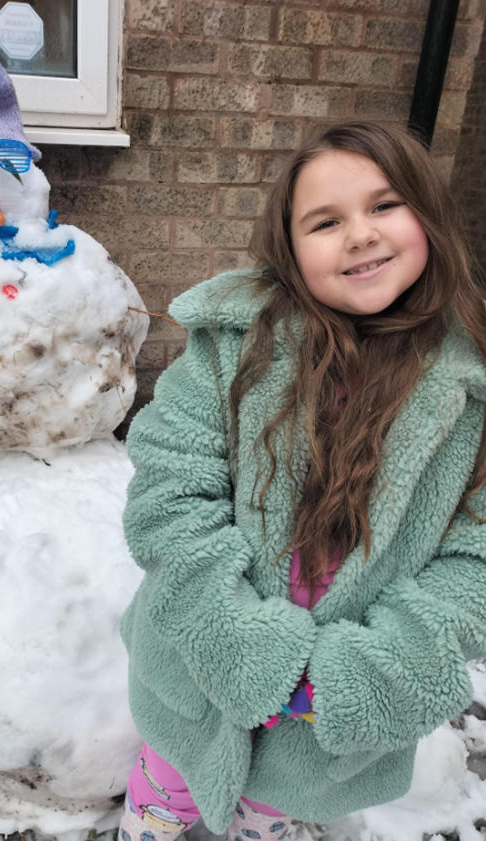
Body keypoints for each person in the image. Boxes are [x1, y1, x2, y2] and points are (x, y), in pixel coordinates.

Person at [118, 121, 486, 840]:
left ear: (428, 214)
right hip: (196, 674)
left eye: (384, 205)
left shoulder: (472, 389)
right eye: (325, 222)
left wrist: (353, 677)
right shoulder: (231, 345)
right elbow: (170, 495)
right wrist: (236, 643)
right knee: (165, 791)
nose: (360, 234)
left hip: (323, 723)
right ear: (289, 249)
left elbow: (473, 567)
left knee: (268, 811)